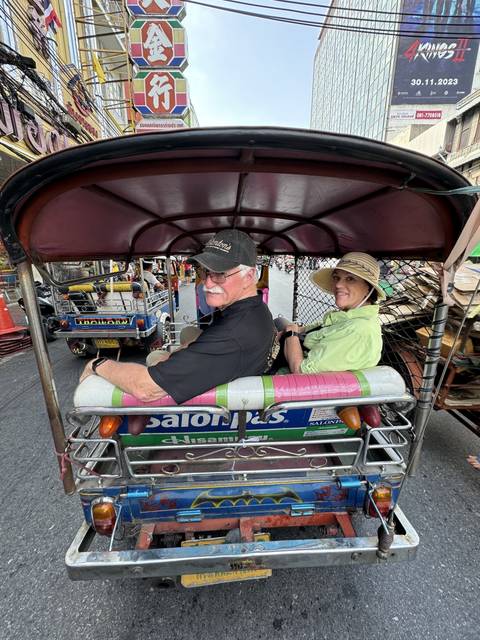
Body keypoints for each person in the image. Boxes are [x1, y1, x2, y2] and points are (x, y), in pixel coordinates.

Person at [79, 229, 276, 407]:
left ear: (249, 276)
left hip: (220, 408)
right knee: (184, 336)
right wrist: (185, 351)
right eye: (206, 272)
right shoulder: (252, 308)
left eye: (219, 274)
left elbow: (144, 389)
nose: (207, 283)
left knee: (154, 357)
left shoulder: (234, 334)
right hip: (235, 369)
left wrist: (97, 364)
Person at [282, 252, 385, 374]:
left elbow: (301, 372)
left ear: (369, 288)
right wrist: (293, 330)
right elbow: (315, 327)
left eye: (350, 279)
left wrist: (290, 334)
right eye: (336, 278)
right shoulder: (346, 317)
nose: (338, 285)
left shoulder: (357, 330)